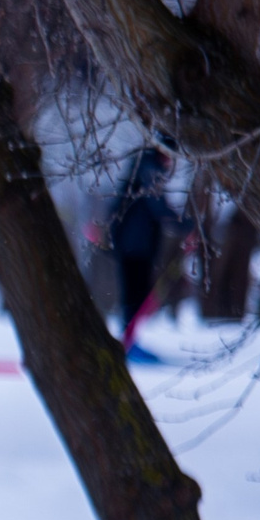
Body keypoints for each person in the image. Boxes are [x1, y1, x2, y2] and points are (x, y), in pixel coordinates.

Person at [107, 147, 187, 361]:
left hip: (135, 243)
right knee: (134, 296)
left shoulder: (145, 166)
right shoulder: (148, 169)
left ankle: (130, 343)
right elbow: (158, 206)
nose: (171, 163)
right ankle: (129, 345)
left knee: (136, 295)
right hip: (135, 244)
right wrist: (187, 225)